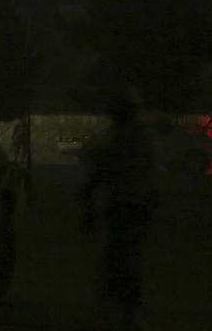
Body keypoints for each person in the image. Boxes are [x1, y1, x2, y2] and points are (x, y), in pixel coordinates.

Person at [80, 92, 158, 331]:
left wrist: (88, 206)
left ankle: (118, 310)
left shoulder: (116, 138)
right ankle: (126, 311)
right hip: (133, 204)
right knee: (127, 257)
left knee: (118, 258)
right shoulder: (140, 138)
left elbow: (97, 172)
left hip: (122, 204)